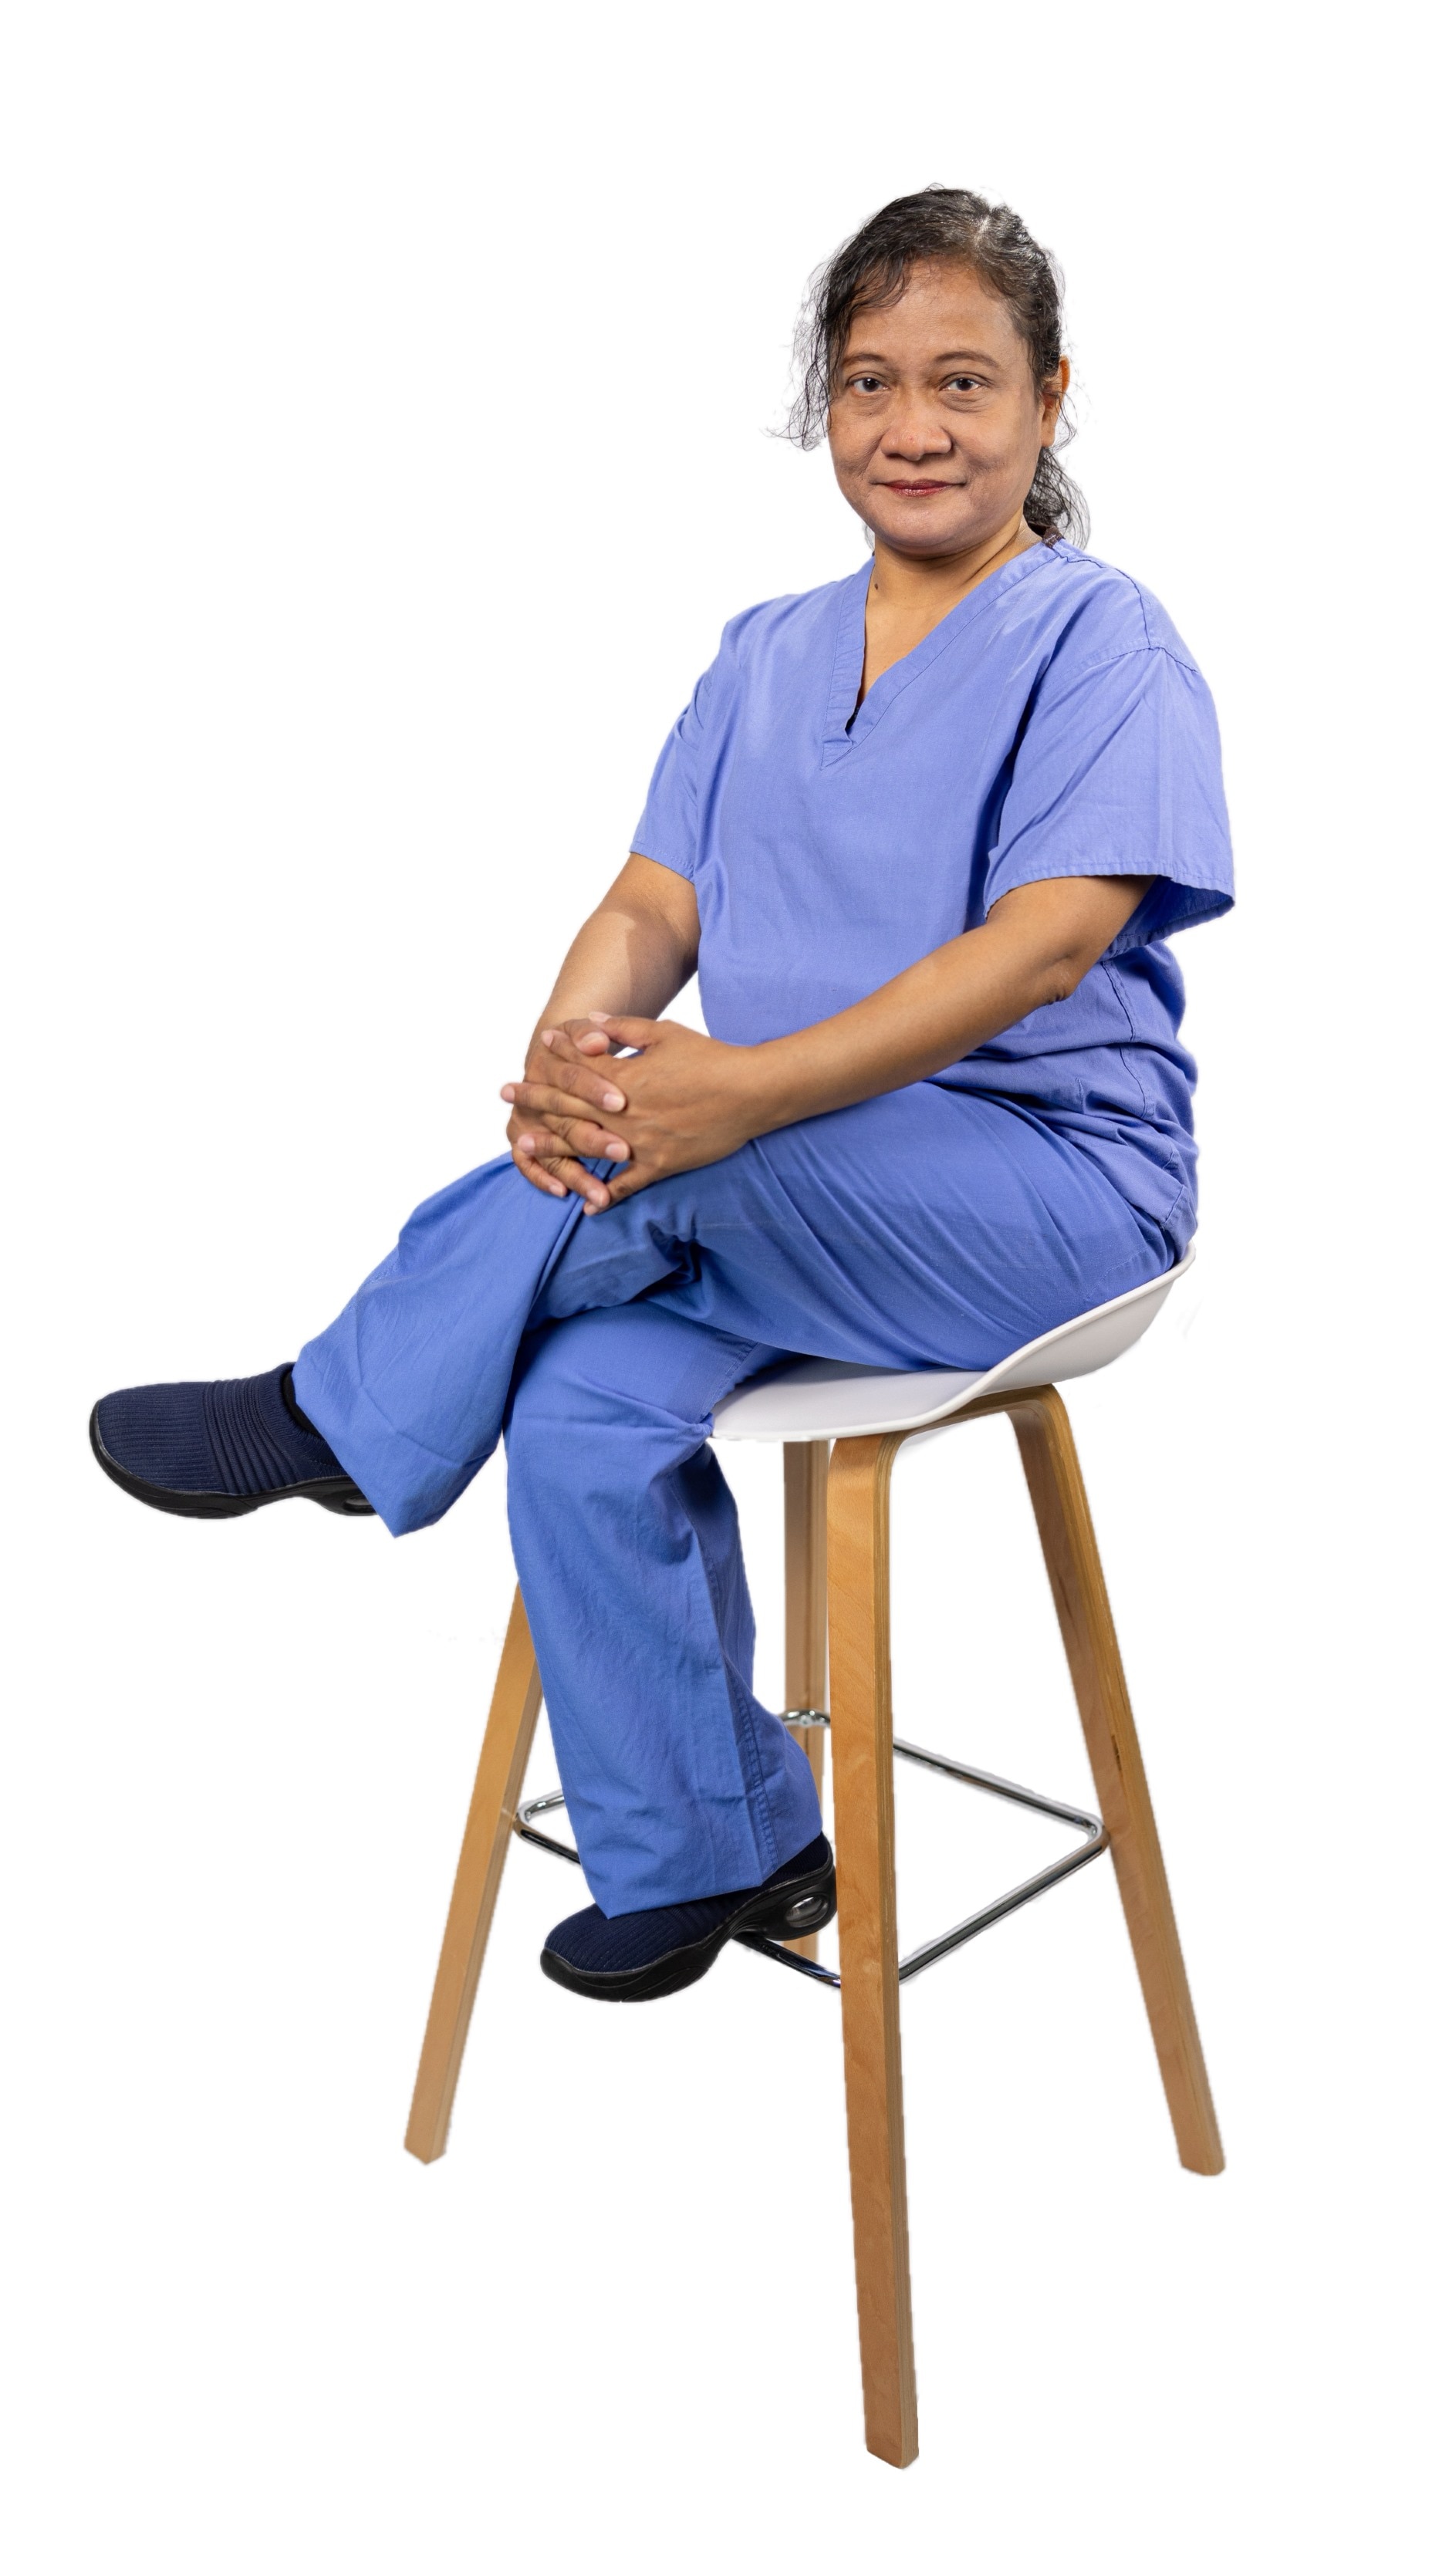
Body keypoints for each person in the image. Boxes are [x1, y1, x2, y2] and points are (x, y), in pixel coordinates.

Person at [90, 187, 1233, 2004]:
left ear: (1050, 400)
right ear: (825, 405)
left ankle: (341, 1400)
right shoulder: (762, 652)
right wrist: (570, 1071)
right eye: (869, 382)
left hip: (1045, 1186)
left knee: (671, 1183)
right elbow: (651, 907)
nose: (914, 426)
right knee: (575, 1406)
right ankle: (744, 1848)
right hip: (765, 1170)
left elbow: (1040, 946)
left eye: (964, 381)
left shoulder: (1103, 642)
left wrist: (718, 1102)